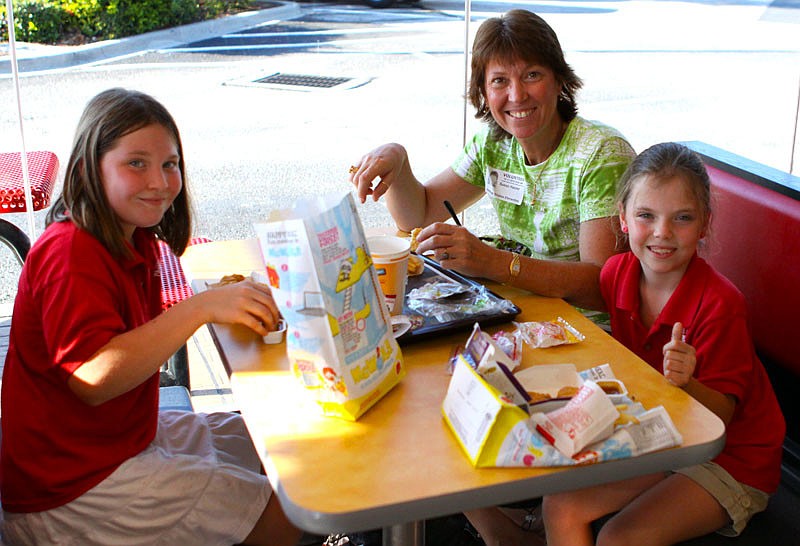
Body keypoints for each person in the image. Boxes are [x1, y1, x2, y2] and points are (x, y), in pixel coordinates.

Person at [0, 88, 301, 546]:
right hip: (68, 488)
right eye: (136, 163)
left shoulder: (131, 238)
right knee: (287, 508)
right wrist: (200, 308)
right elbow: (91, 377)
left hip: (121, 441)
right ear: (86, 169)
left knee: (278, 443)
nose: (159, 182)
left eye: (170, 164)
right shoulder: (71, 252)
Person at [539, 142, 786, 545]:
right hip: (663, 434)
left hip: (730, 459)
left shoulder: (721, 305)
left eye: (682, 218)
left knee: (619, 537)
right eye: (646, 215)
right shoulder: (617, 273)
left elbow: (721, 418)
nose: (662, 232)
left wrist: (687, 383)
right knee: (559, 504)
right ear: (622, 217)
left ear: (704, 224)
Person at [349, 9, 635, 320]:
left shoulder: (601, 153)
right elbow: (418, 215)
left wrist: (492, 262)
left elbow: (603, 285)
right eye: (500, 81)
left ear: (559, 80)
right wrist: (397, 159)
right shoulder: (493, 144)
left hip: (591, 331)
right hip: (520, 316)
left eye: (532, 75)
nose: (517, 95)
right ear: (483, 92)